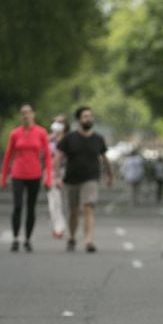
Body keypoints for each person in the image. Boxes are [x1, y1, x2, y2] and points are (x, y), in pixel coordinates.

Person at [55, 106, 112, 253]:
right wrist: (56, 176)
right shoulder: (70, 138)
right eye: (85, 116)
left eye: (90, 116)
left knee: (88, 207)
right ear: (79, 119)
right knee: (73, 211)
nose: (88, 119)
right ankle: (72, 237)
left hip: (91, 178)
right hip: (71, 180)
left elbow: (105, 158)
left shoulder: (98, 139)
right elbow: (58, 156)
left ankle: (88, 240)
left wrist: (110, 175)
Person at [0, 104, 52, 252]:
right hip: (18, 174)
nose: (26, 115)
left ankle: (27, 239)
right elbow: (8, 155)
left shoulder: (41, 132)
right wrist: (3, 177)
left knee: (31, 207)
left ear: (33, 114)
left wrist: (48, 177)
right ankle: (16, 238)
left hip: (35, 174)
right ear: (20, 116)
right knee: (17, 205)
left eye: (28, 113)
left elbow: (47, 157)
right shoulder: (15, 133)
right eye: (23, 113)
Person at [47, 115, 68, 238]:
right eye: (55, 121)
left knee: (60, 201)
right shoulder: (49, 139)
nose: (57, 124)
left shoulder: (68, 139)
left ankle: (60, 226)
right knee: (53, 201)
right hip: (51, 173)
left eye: (60, 122)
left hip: (65, 172)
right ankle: (58, 226)